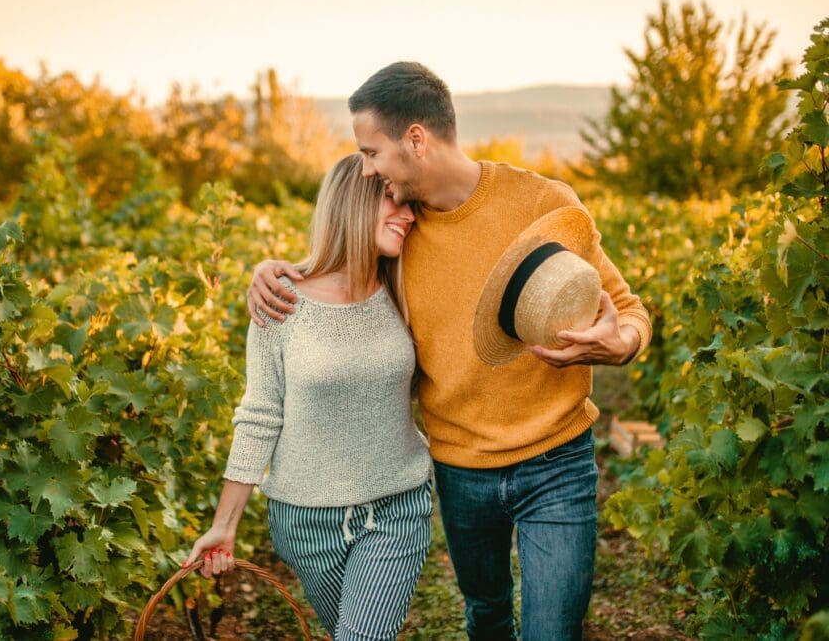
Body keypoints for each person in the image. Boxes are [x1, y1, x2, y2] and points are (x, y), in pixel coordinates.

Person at [248, 63, 652, 641]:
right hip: (461, 470)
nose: (367, 168)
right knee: (486, 617)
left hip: (558, 460)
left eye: (372, 151)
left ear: (416, 139)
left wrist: (624, 342)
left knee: (553, 632)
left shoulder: (543, 203)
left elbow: (628, 308)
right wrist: (267, 273)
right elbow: (336, 275)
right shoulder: (398, 235)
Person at [184, 153, 433, 641]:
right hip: (304, 522)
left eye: (411, 204)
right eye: (393, 199)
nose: (407, 214)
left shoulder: (404, 285)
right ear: (351, 201)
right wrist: (224, 524)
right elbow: (260, 415)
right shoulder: (282, 299)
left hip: (397, 507)